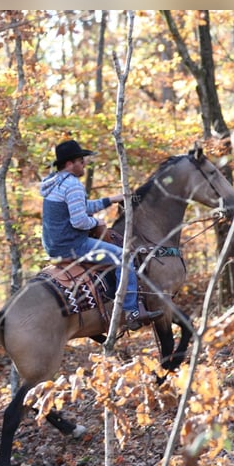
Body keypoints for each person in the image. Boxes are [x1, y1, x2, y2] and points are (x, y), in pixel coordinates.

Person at [40, 139, 162, 330]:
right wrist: (97, 222)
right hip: (73, 246)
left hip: (53, 245)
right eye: (80, 160)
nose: (84, 164)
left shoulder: (55, 184)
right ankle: (132, 311)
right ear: (69, 164)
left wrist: (111, 200)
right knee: (124, 257)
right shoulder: (72, 185)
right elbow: (79, 221)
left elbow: (83, 207)